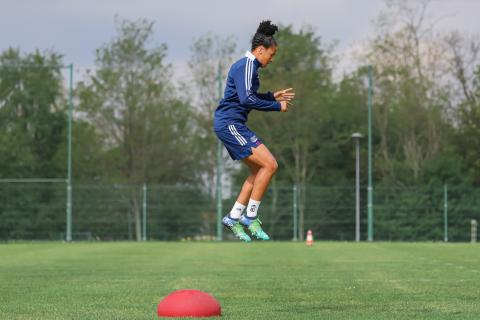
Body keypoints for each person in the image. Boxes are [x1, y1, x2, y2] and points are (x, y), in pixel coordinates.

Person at [213, 20, 295, 242]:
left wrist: (272, 96)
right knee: (270, 164)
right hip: (230, 124)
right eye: (271, 54)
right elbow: (247, 99)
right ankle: (251, 217)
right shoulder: (247, 66)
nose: (272, 59)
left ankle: (233, 217)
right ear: (260, 50)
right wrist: (277, 106)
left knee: (258, 171)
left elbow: (249, 96)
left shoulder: (250, 67)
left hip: (231, 124)